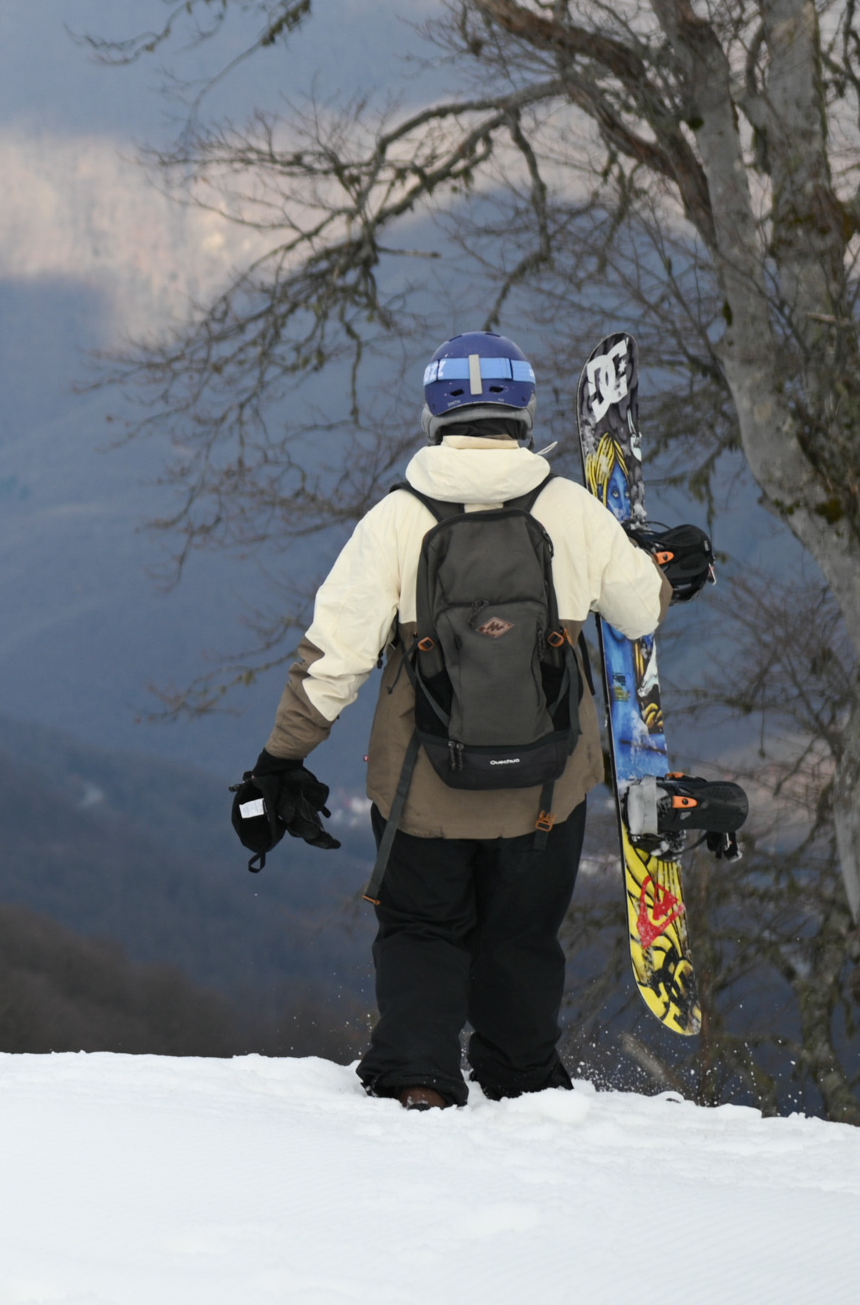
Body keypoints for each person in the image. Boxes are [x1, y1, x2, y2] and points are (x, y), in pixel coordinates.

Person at [234, 331, 713, 1109]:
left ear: (436, 416)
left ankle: (418, 1076)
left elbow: (335, 657)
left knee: (422, 932)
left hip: (423, 788)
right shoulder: (570, 509)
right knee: (523, 940)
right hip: (548, 786)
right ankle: (522, 1083)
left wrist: (279, 760)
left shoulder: (395, 520)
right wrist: (669, 574)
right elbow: (636, 609)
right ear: (523, 413)